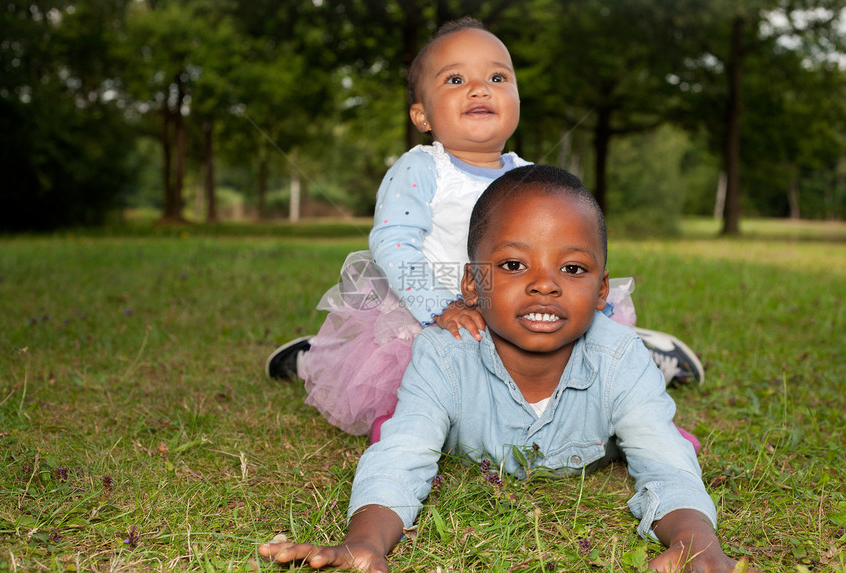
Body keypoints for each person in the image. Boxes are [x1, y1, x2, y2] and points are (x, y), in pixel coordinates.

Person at [258, 165, 755, 573]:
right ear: (472, 285)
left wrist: (695, 540)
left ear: (602, 291)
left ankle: (645, 420)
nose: (545, 284)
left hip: (612, 401)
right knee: (397, 432)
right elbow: (404, 459)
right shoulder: (444, 353)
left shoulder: (620, 358)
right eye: (515, 265)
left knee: (659, 440)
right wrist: (365, 541)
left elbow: (665, 467)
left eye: (573, 269)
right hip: (455, 413)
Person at [266, 17, 704, 444]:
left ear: (516, 98)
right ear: (422, 115)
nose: (479, 88)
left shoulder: (531, 179)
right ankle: (328, 368)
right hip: (440, 315)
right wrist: (440, 307)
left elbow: (569, 246)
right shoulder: (420, 169)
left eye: (497, 77)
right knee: (428, 376)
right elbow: (393, 244)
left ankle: (646, 417)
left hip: (519, 309)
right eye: (455, 80)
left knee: (588, 355)